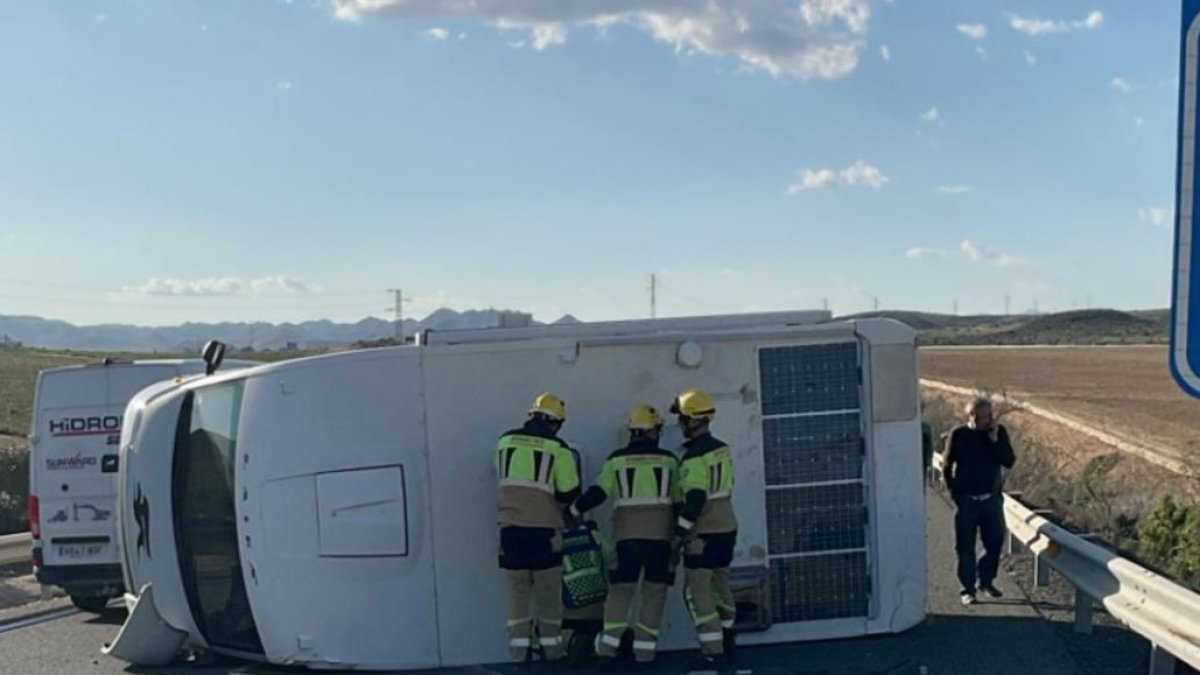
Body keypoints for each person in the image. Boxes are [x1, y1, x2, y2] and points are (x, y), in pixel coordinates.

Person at [569, 404, 678, 664]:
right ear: (654, 431)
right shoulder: (669, 461)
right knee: (654, 595)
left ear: (632, 432)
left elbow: (598, 493)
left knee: (620, 593)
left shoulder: (616, 461)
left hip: (626, 541)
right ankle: (644, 653)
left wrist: (574, 509)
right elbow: (681, 501)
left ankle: (607, 650)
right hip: (660, 542)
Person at [495, 392, 581, 662]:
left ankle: (519, 656)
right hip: (544, 533)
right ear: (555, 422)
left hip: (510, 532)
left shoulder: (504, 442)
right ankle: (552, 653)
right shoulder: (559, 450)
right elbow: (568, 492)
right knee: (548, 599)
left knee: (518, 599)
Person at [671, 388, 738, 665]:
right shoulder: (722, 449)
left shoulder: (693, 458)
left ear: (691, 420)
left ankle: (714, 652)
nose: (679, 425)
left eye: (682, 419)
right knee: (721, 586)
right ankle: (729, 640)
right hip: (727, 528)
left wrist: (680, 532)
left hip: (705, 533)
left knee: (696, 592)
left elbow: (696, 497)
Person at [943, 397, 1017, 606]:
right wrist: (955, 494)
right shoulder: (959, 435)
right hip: (966, 501)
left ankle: (986, 581)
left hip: (990, 500)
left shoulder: (998, 433)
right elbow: (947, 466)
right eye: (983, 417)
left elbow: (1009, 461)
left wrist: (994, 441)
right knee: (965, 547)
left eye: (990, 416)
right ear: (972, 416)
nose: (988, 420)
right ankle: (967, 589)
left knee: (994, 543)